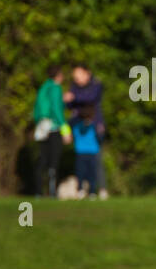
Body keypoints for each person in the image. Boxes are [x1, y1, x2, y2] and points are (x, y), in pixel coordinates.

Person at [64, 65, 107, 199]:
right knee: (81, 162)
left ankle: (100, 189)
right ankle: (82, 188)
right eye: (74, 77)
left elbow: (90, 98)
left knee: (96, 161)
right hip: (78, 127)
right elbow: (69, 105)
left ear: (87, 73)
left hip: (95, 126)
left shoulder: (95, 85)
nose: (76, 80)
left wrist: (73, 97)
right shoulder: (75, 87)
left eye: (79, 76)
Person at [33, 66, 69, 198]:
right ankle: (52, 192)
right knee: (53, 161)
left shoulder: (43, 87)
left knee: (42, 159)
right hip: (53, 127)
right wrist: (65, 128)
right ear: (58, 75)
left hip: (41, 126)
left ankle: (38, 191)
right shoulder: (55, 88)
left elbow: (37, 110)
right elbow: (56, 109)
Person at [69, 104, 102, 197]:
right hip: (87, 152)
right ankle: (87, 191)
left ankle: (88, 191)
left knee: (84, 173)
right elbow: (100, 138)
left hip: (84, 152)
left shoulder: (78, 127)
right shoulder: (92, 127)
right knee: (86, 173)